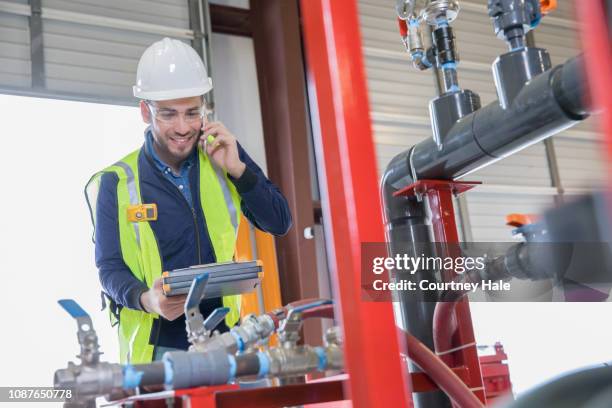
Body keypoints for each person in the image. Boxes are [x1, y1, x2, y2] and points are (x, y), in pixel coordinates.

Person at [86, 37, 292, 364]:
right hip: (155, 352)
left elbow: (279, 222)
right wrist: (147, 299)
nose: (183, 128)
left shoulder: (224, 156)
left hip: (226, 341)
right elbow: (109, 269)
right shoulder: (116, 182)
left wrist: (239, 169)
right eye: (168, 114)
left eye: (192, 113)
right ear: (145, 111)